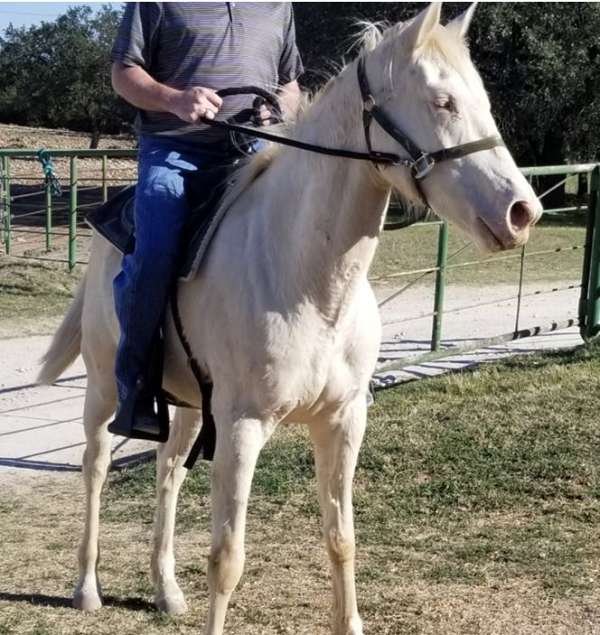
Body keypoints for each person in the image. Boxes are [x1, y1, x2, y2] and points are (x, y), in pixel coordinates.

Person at [107, 2, 303, 441]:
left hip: (253, 147)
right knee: (156, 247)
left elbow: (290, 82)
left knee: (311, 225)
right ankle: (135, 383)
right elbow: (124, 72)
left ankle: (340, 370)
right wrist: (175, 99)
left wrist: (278, 108)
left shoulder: (277, 5)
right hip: (175, 149)